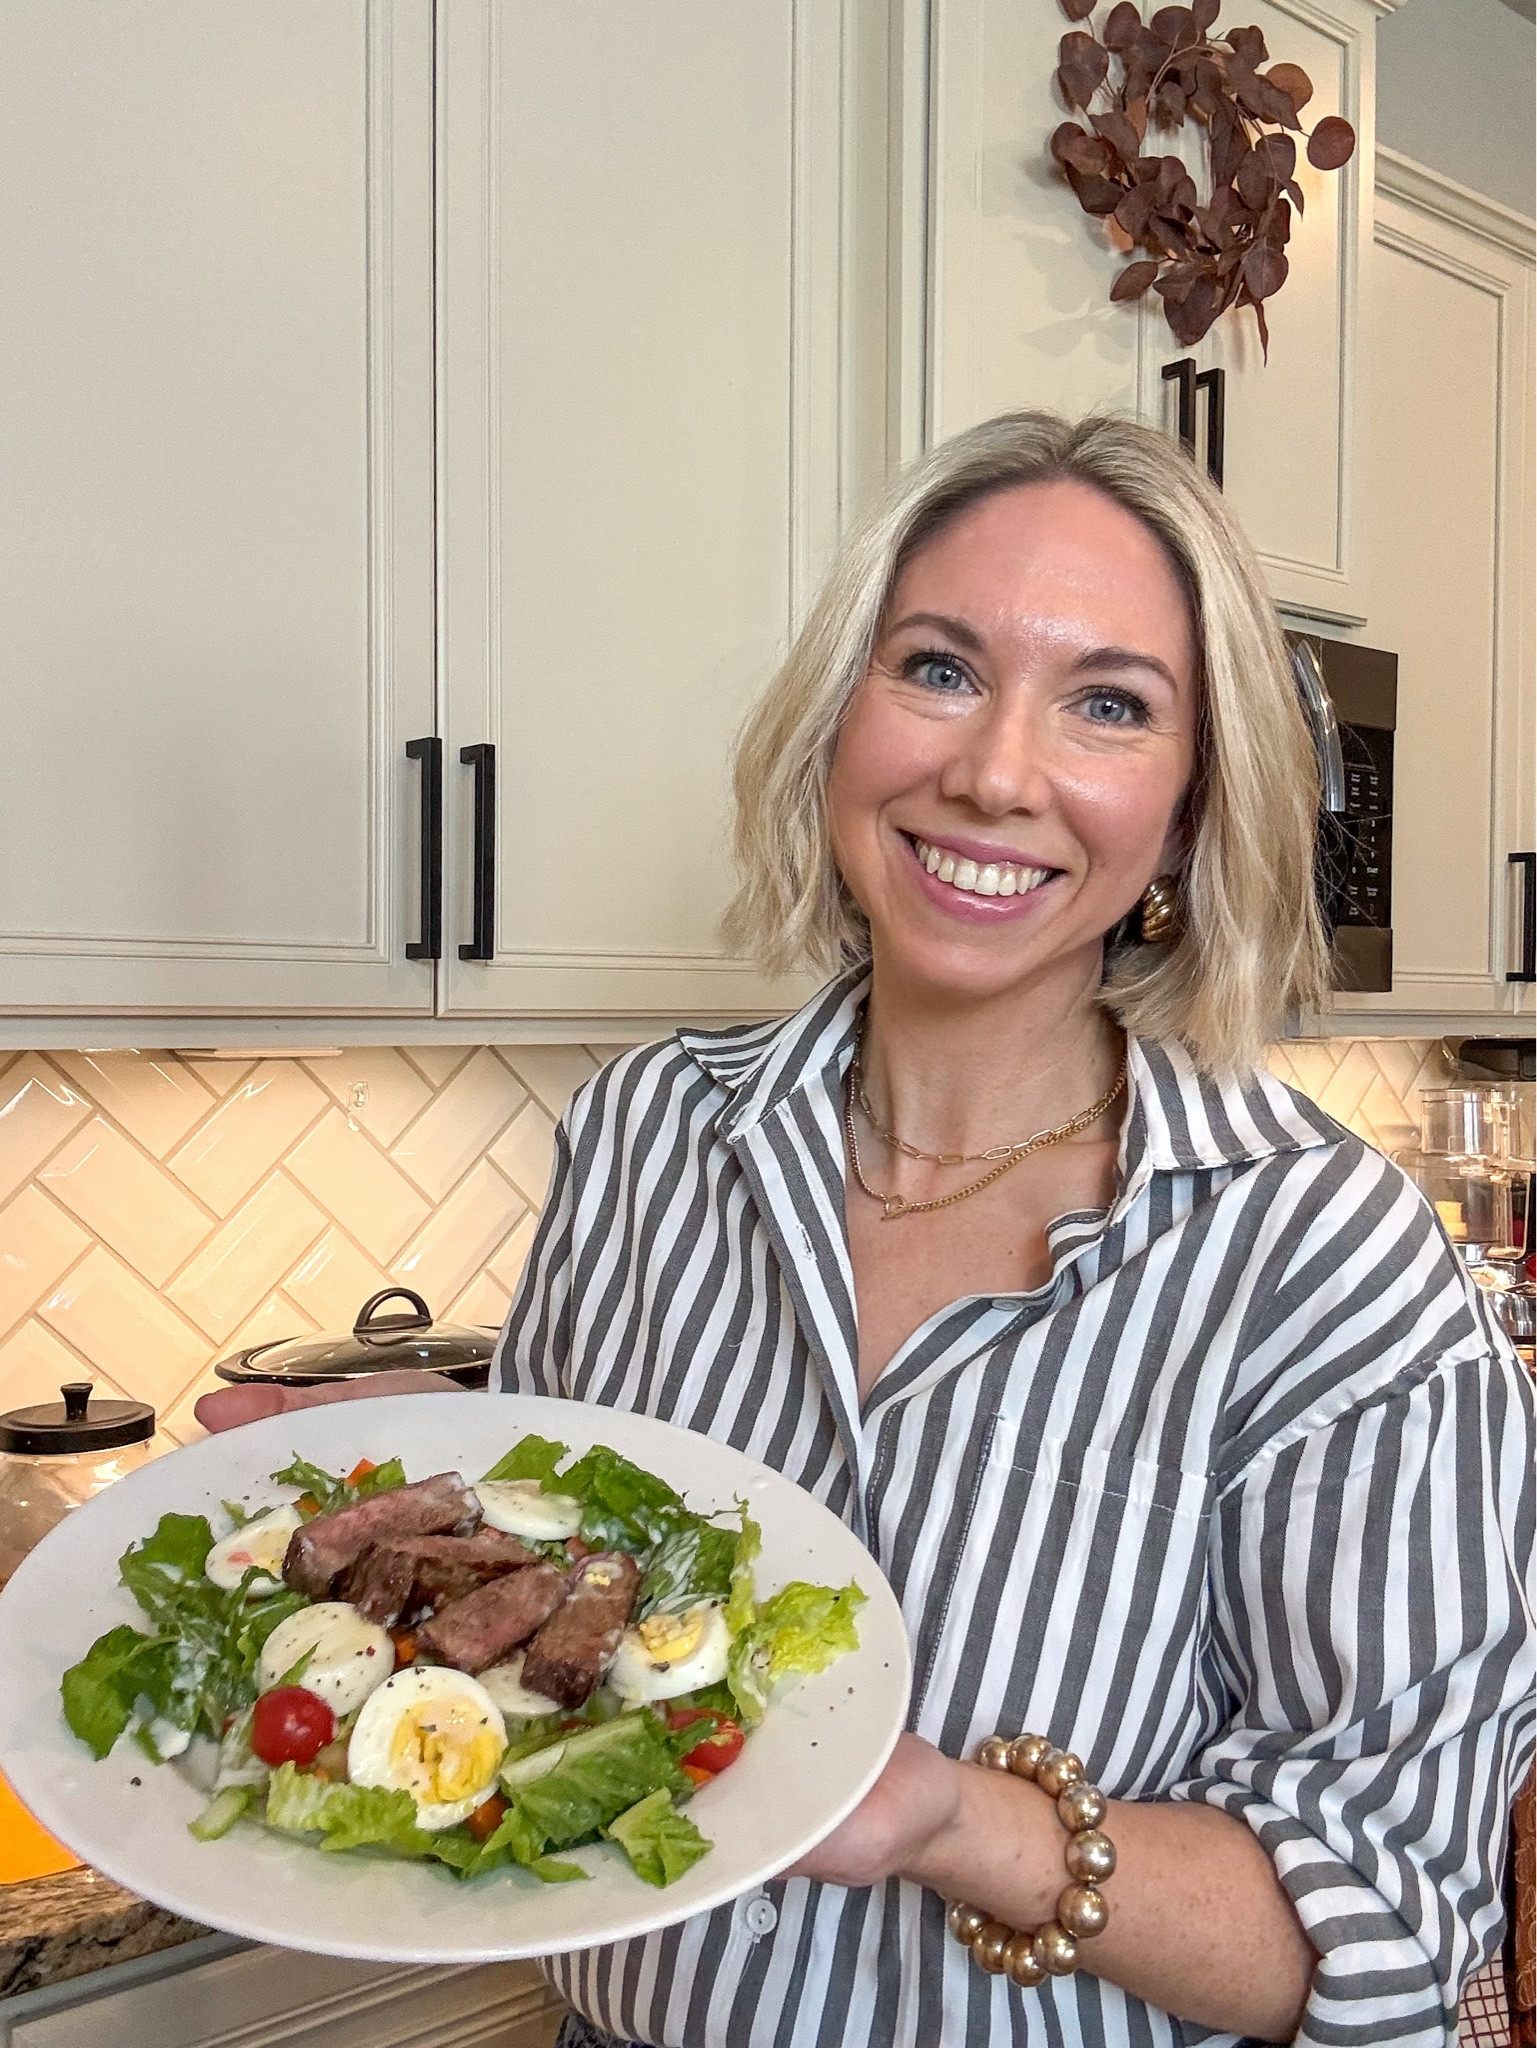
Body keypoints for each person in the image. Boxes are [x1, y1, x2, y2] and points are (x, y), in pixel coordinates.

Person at [201, 412, 1535, 2048]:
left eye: (1109, 704)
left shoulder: (1326, 1270)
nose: (992, 772)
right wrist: (452, 1496)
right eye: (939, 668)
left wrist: (952, 1821)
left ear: (1189, 810)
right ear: (838, 717)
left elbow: (1386, 1933)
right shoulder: (647, 1136)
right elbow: (594, 1580)